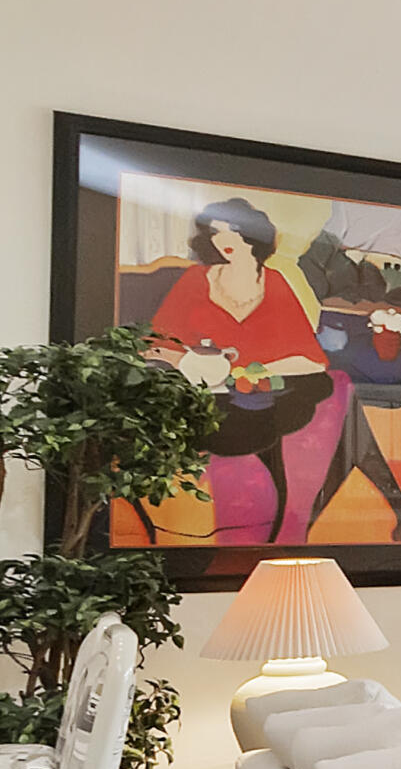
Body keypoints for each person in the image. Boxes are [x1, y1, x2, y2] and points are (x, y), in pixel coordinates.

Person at [144, 199, 336, 531]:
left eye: (234, 230)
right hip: (206, 393)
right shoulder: (195, 280)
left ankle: (280, 509)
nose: (225, 239)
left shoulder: (274, 281)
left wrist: (257, 371)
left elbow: (309, 356)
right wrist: (195, 362)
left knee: (321, 384)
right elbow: (156, 346)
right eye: (216, 232)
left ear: (254, 234)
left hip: (263, 397)